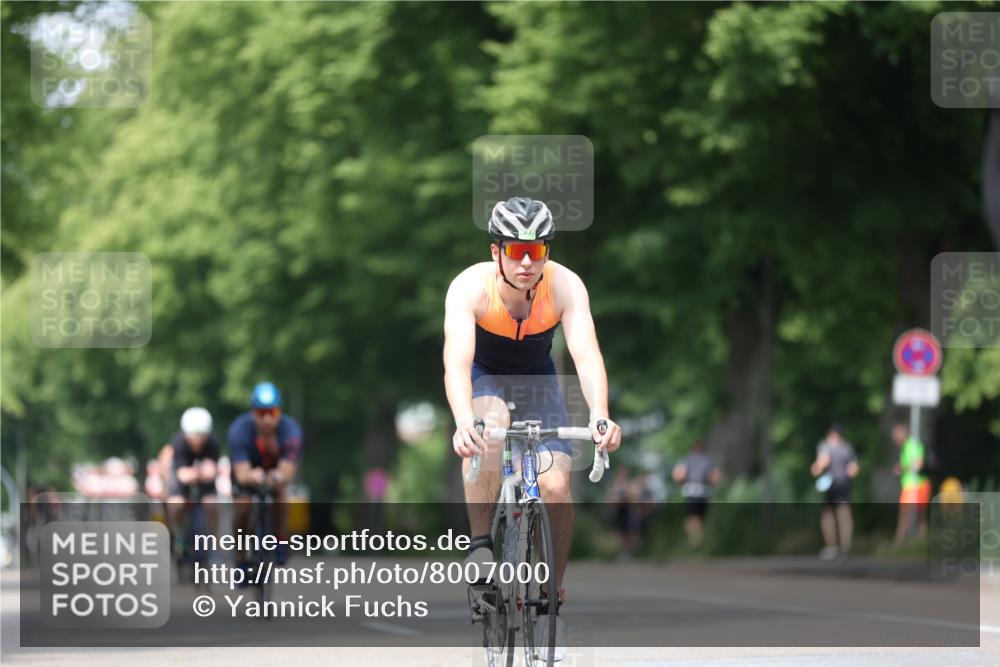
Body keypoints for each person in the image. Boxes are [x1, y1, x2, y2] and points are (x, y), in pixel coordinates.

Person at [444, 196, 622, 662]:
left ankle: (550, 604)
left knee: (557, 485)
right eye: (515, 250)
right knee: (491, 426)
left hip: (540, 380)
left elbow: (586, 355)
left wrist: (600, 413)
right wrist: (465, 421)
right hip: (486, 376)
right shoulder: (469, 288)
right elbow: (456, 364)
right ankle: (483, 546)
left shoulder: (565, 286)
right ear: (495, 251)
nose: (526, 262)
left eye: (537, 251)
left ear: (547, 251)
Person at [228, 381, 303, 566]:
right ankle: (240, 557)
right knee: (242, 509)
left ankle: (278, 537)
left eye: (273, 413)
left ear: (280, 412)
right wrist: (252, 475)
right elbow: (241, 473)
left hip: (275, 470)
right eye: (262, 413)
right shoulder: (239, 430)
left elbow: (288, 471)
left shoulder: (291, 431)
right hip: (247, 470)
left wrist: (277, 476)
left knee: (280, 491)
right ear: (253, 413)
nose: (268, 419)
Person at [160, 407, 221, 542]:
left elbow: (212, 471)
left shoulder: (213, 442)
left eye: (201, 436)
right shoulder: (178, 442)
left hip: (203, 479)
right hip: (182, 477)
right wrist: (199, 473)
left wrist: (202, 473)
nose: (197, 440)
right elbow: (182, 475)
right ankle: (177, 535)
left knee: (212, 504)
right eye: (193, 436)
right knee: (176, 504)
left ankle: (212, 543)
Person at [810, 424, 859, 559]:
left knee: (829, 515)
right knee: (843, 514)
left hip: (832, 484)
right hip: (843, 484)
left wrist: (817, 467)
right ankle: (845, 546)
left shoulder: (825, 446)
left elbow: (822, 462)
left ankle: (832, 546)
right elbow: (853, 468)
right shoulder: (846, 447)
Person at [672, 441, 721, 547]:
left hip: (692, 491)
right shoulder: (708, 460)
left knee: (692, 517)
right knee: (699, 517)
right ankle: (697, 540)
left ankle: (695, 540)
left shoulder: (687, 459)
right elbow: (715, 477)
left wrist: (681, 484)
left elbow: (678, 475)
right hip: (703, 491)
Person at [892, 423, 932, 544]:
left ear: (902, 434)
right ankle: (914, 544)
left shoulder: (912, 445)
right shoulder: (906, 447)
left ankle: (900, 545)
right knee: (916, 517)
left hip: (916, 486)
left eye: (896, 435)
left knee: (908, 516)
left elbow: (918, 465)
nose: (894, 438)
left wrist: (902, 469)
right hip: (913, 486)